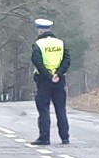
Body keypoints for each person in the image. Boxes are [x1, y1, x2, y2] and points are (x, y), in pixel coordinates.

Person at [30, 18, 71, 146]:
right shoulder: (60, 43)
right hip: (59, 81)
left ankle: (44, 138)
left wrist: (48, 76)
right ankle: (65, 137)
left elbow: (37, 61)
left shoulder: (38, 44)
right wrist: (58, 74)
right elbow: (67, 60)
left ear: (40, 30)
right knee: (61, 109)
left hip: (44, 81)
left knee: (43, 109)